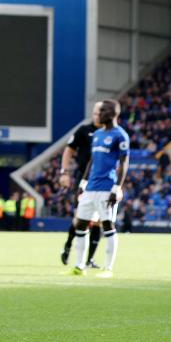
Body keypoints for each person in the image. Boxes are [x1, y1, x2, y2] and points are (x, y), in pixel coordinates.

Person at [71, 99, 129, 278]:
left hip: (107, 187)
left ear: (111, 114)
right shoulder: (97, 134)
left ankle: (108, 269)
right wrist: (82, 184)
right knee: (80, 223)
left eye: (102, 111)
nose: (98, 114)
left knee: (107, 225)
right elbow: (92, 161)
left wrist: (117, 187)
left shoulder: (120, 135)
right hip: (91, 188)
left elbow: (124, 162)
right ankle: (80, 266)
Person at [59, 102, 103, 268]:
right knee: (80, 219)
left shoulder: (110, 134)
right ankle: (68, 246)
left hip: (102, 182)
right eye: (95, 113)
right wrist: (64, 172)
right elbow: (69, 150)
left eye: (99, 113)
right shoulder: (84, 130)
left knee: (98, 220)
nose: (96, 116)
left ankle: (89, 259)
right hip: (84, 181)